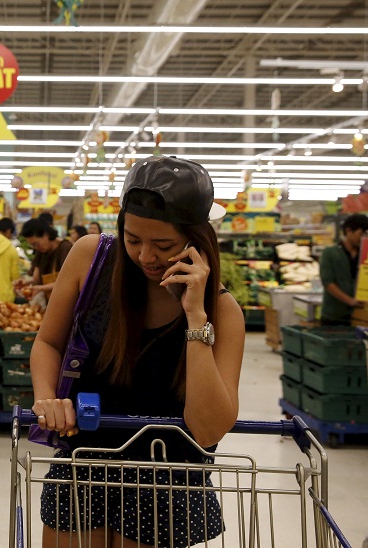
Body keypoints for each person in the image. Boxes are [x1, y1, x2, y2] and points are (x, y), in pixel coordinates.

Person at [30, 156, 245, 547]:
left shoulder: (222, 312)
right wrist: (48, 397)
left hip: (171, 479)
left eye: (163, 245)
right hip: (84, 459)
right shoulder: (91, 259)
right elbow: (48, 342)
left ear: (197, 240)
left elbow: (209, 428)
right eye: (133, 240)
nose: (146, 256)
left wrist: (195, 316)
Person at [319, 213, 368, 326]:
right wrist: (350, 301)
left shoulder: (367, 255)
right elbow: (328, 283)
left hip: (359, 317)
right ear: (348, 231)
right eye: (361, 233)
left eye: (366, 235)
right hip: (333, 316)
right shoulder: (330, 253)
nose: (364, 238)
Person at [21, 218, 72, 300]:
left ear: (46, 234)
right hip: (50, 302)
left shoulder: (65, 248)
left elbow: (69, 282)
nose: (36, 247)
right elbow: (36, 279)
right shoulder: (41, 253)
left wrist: (41, 288)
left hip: (67, 303)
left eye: (36, 243)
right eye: (32, 245)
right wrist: (25, 283)